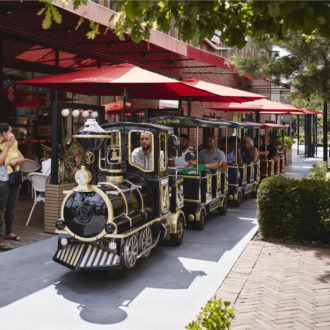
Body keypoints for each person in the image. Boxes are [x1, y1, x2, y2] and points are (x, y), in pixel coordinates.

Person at [0, 123, 25, 248]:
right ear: (4, 133)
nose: (12, 133)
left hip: (13, 179)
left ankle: (8, 232)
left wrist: (15, 160)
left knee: (11, 207)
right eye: (10, 131)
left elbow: (22, 158)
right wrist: (6, 147)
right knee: (1, 208)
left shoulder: (13, 143)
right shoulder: (3, 145)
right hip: (2, 180)